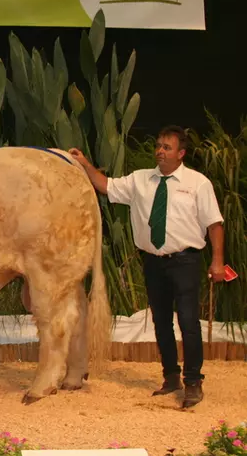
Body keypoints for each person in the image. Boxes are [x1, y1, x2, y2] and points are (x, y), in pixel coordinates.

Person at [69, 125, 225, 409]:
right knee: (161, 323)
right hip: (153, 262)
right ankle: (170, 378)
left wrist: (217, 261)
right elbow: (106, 186)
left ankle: (193, 382)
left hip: (186, 261)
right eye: (159, 145)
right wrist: (84, 164)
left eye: (167, 147)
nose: (160, 151)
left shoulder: (198, 183)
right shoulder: (140, 180)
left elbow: (214, 223)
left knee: (189, 323)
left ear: (181, 153)